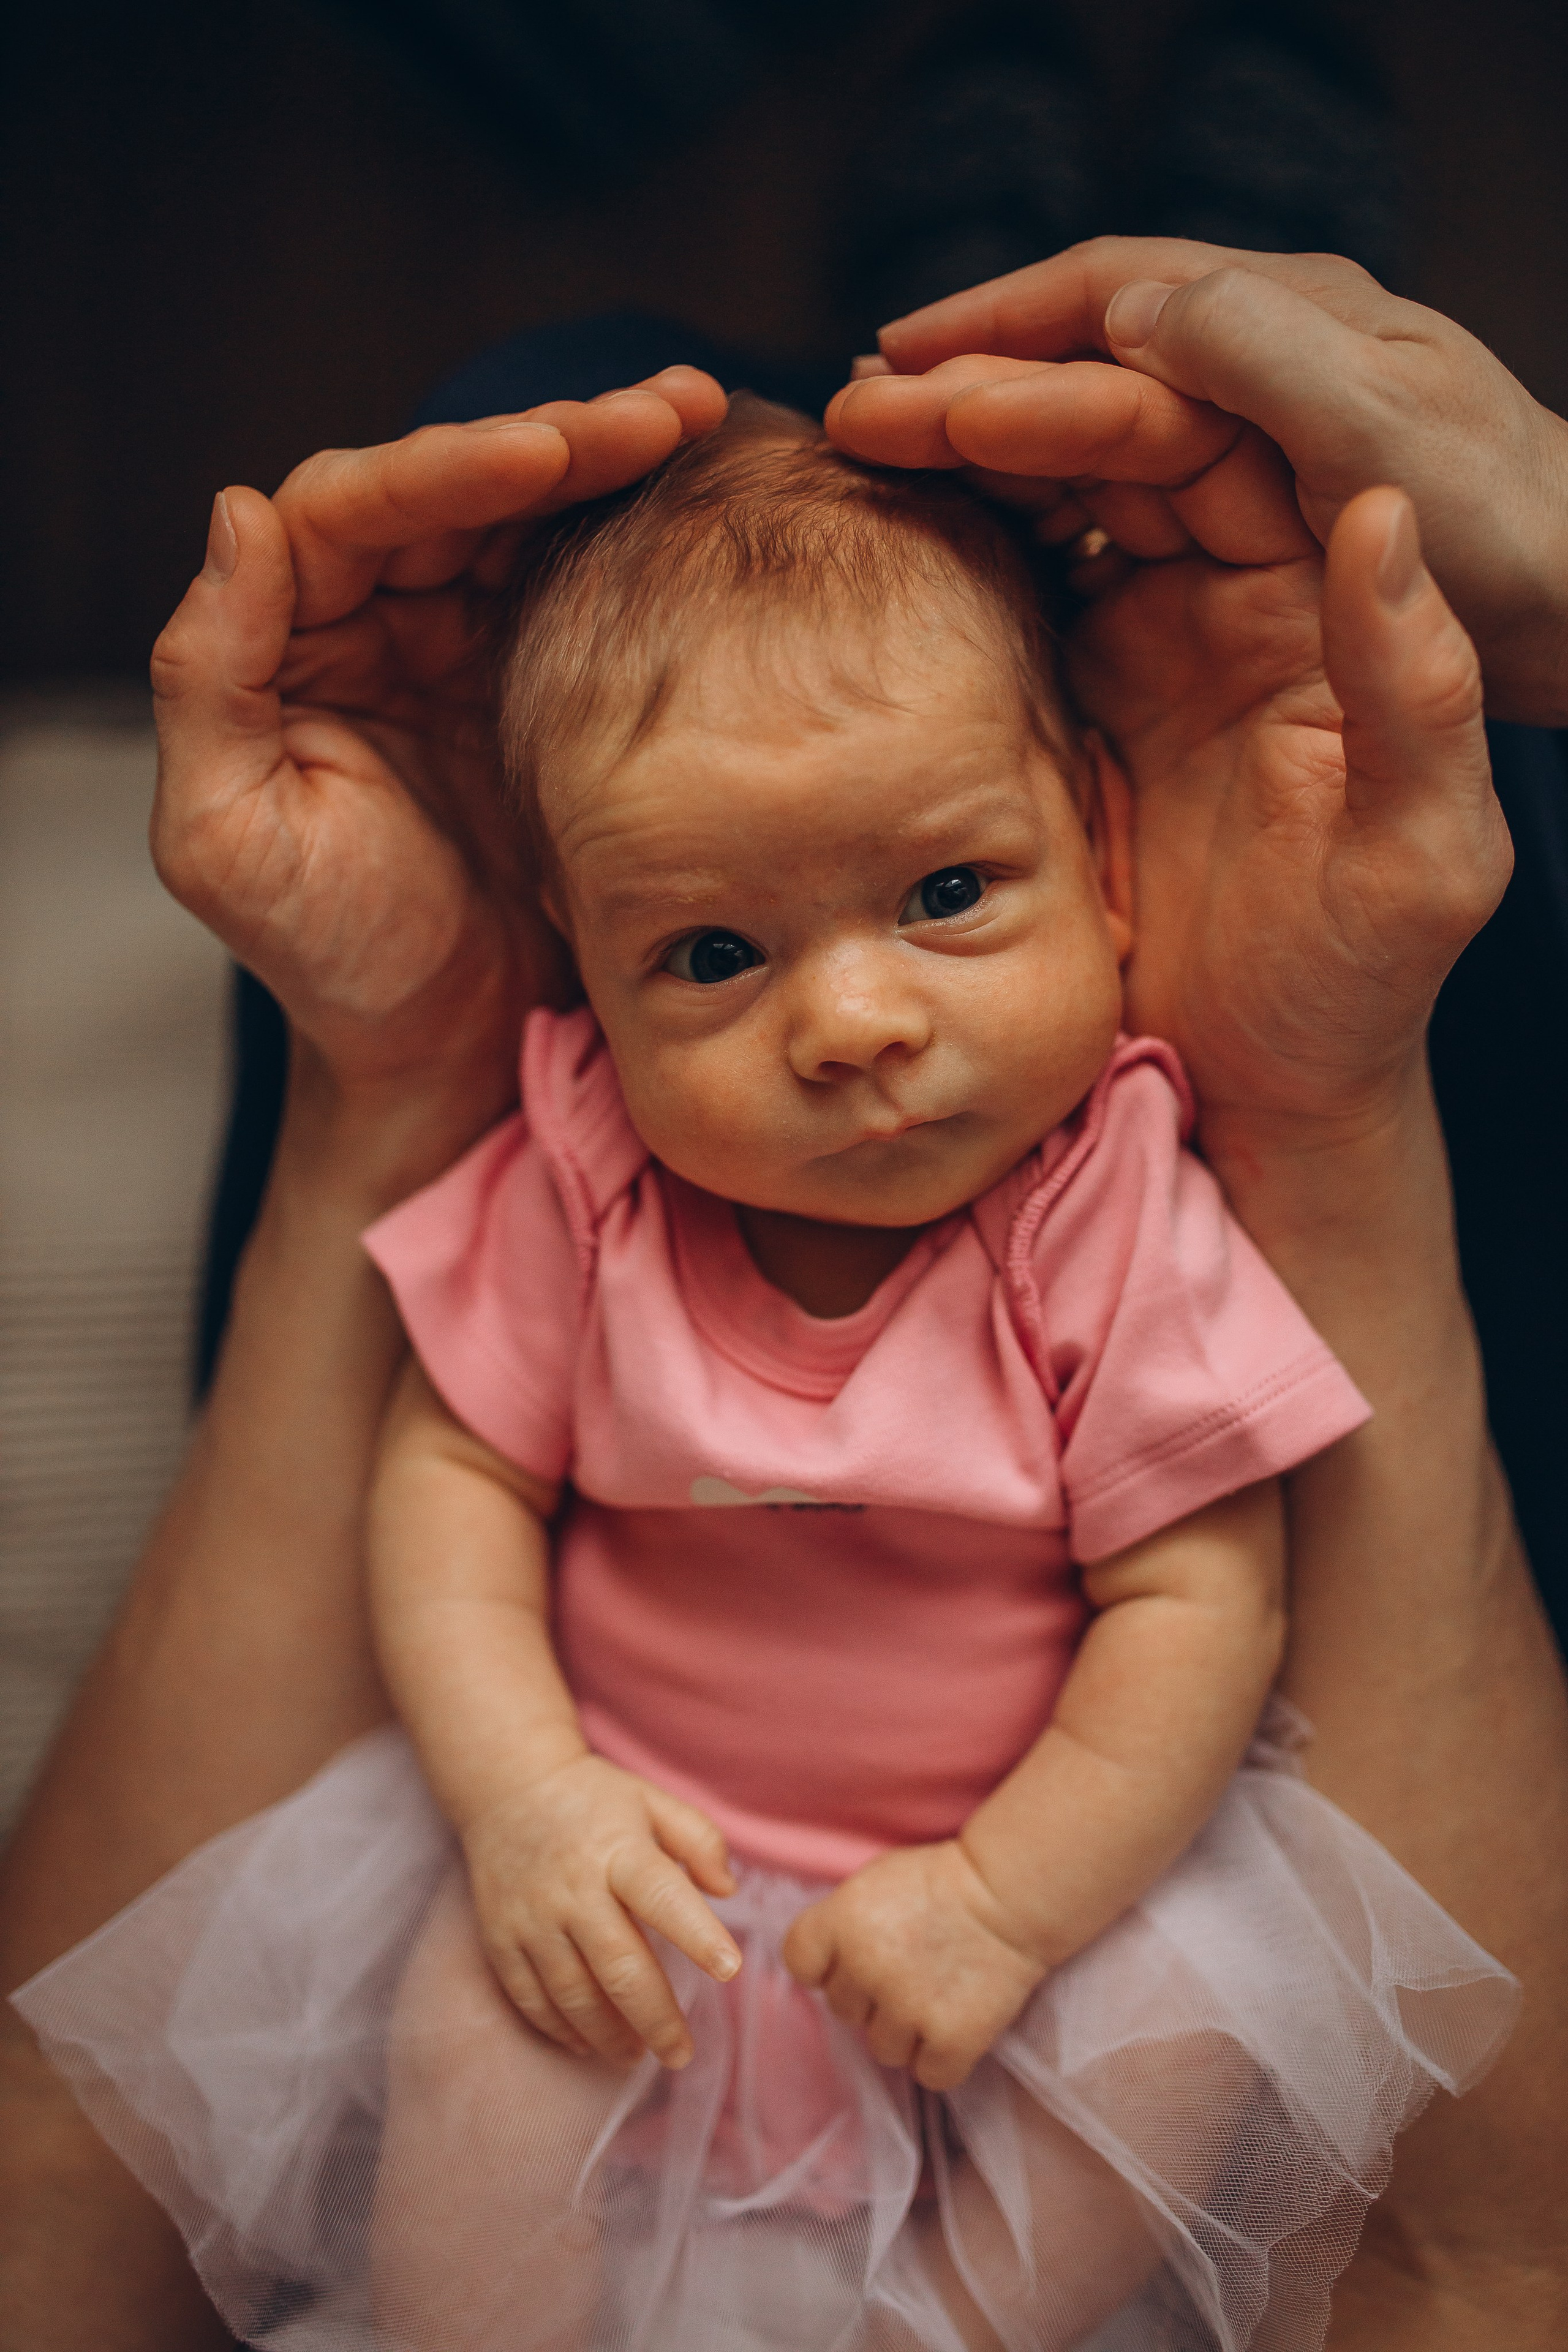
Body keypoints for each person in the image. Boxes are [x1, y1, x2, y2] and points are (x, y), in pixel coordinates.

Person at [1, 243, 1566, 2350]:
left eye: (948, 894)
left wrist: (1007, 1903)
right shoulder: (588, 1167)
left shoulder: (1103, 1202)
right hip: (631, 1872)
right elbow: (452, 1481)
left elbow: (1203, 1605)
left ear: (1105, 856)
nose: (850, 1022)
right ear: (579, 964)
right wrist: (526, 1802)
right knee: (480, 2031)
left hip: (1013, 1907)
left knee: (1181, 2030)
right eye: (713, 956)